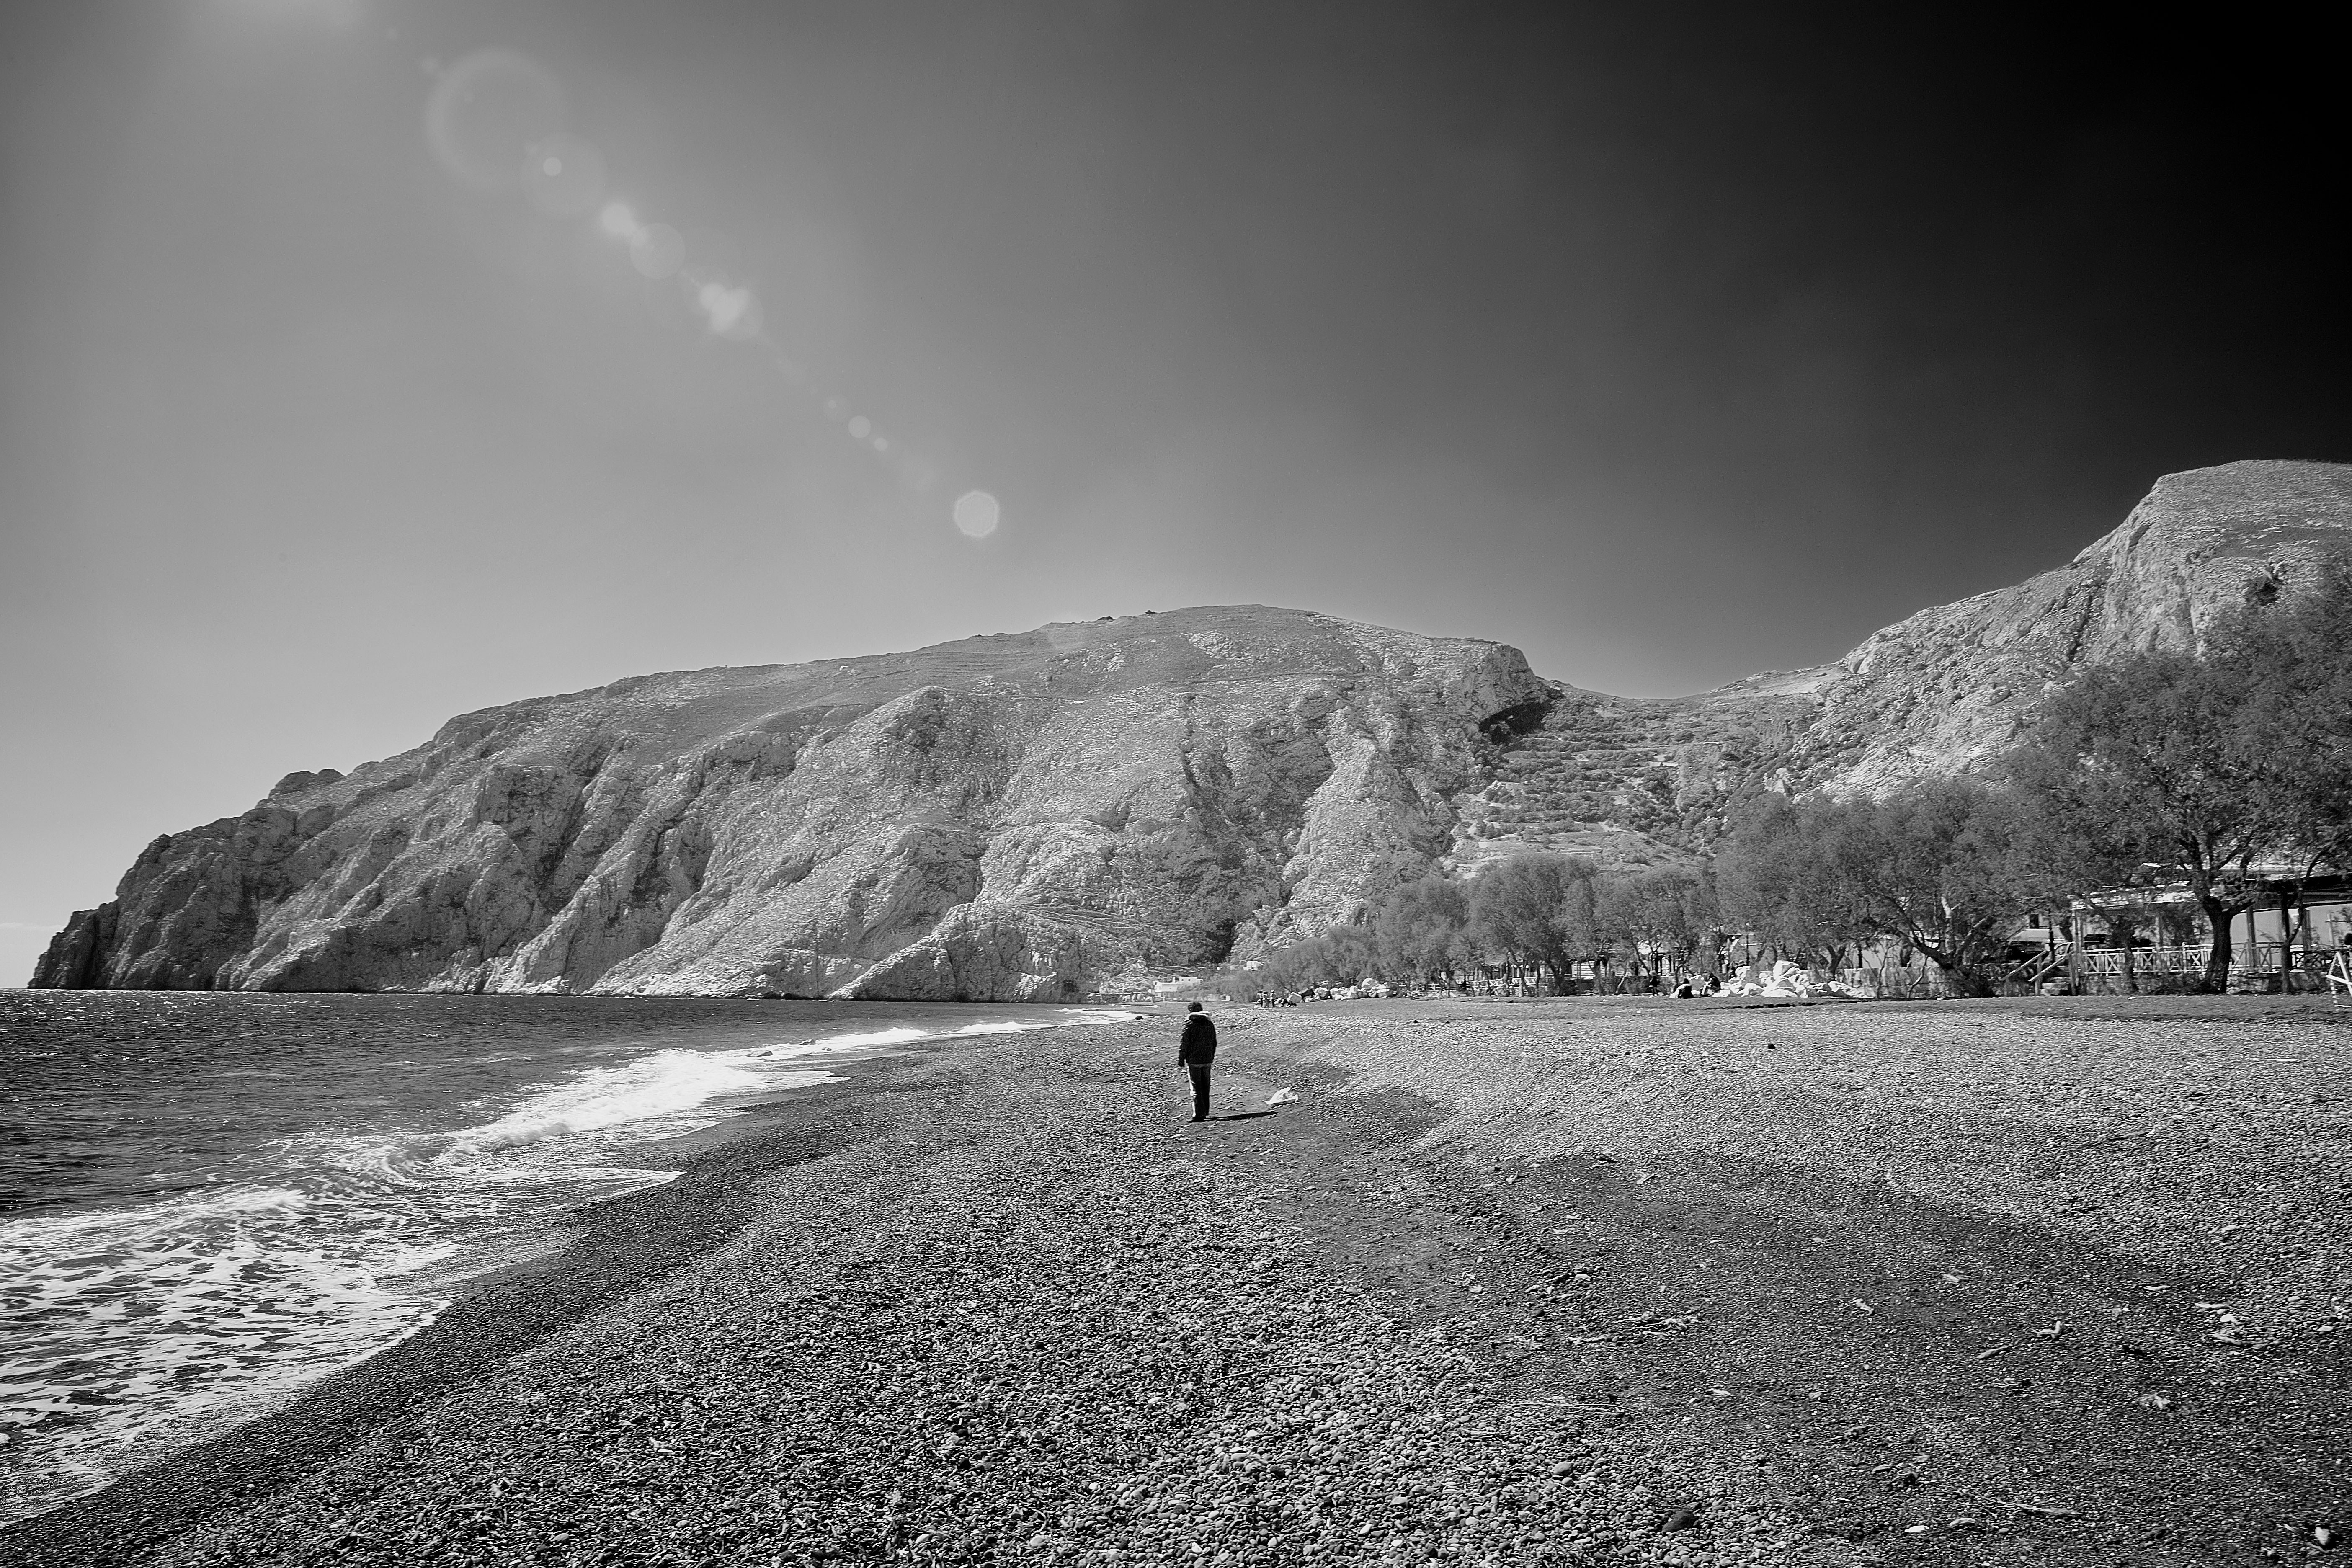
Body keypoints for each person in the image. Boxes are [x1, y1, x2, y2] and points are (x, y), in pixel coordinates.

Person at [1177, 1001, 1217, 1122]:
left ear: (1190, 1011)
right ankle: (1204, 1111)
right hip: (1207, 1059)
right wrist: (1211, 1056)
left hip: (1194, 1060)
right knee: (1205, 1086)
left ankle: (1198, 1114)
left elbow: (1185, 1043)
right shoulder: (1209, 1024)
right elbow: (1214, 1042)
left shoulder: (1190, 1024)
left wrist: (1181, 1059)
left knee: (1196, 1087)